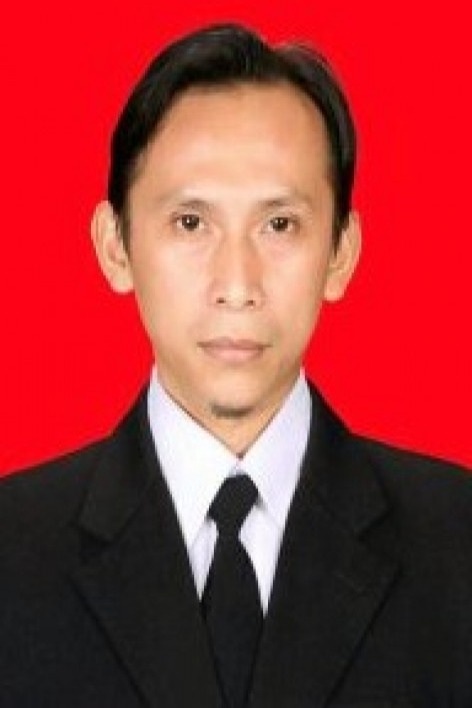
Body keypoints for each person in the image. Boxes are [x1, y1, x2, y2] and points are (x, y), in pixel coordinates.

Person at [0, 22, 471, 708]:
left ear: (341, 252)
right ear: (115, 246)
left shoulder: (457, 541)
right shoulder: (12, 549)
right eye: (191, 223)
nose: (237, 284)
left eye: (279, 225)